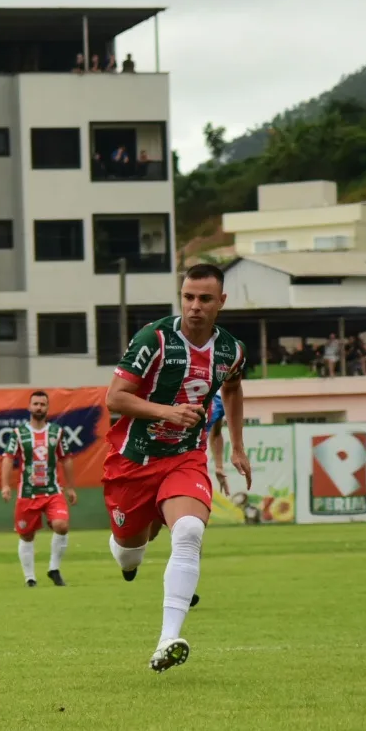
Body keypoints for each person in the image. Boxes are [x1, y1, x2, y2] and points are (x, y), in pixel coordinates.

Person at [103, 263, 250, 673]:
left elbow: (235, 386)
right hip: (133, 461)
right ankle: (130, 554)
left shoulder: (231, 350)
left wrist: (237, 446)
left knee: (188, 531)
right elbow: (115, 398)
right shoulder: (155, 338)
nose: (195, 306)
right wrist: (166, 411)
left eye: (205, 299)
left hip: (184, 458)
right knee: (130, 550)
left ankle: (168, 638)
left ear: (221, 302)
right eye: (188, 297)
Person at [0, 390, 76, 587]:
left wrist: (70, 487)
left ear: (47, 408)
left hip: (52, 491)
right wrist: (5, 485)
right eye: (36, 404)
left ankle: (54, 569)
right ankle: (30, 578)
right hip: (27, 493)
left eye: (42, 404)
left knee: (62, 525)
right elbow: (8, 458)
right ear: (29, 407)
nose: (39, 407)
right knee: (26, 535)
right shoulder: (19, 434)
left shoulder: (56, 432)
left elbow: (66, 458)